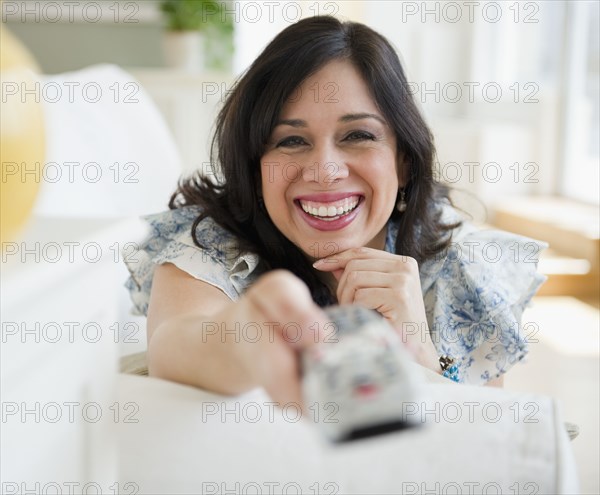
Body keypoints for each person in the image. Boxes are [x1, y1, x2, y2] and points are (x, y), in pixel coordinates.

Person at [124, 16, 546, 406]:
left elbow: (486, 444)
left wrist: (418, 350)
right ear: (255, 169)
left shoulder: (464, 266)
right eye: (291, 141)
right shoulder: (209, 243)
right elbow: (172, 346)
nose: (325, 171)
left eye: (358, 135)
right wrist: (247, 336)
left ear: (403, 162)